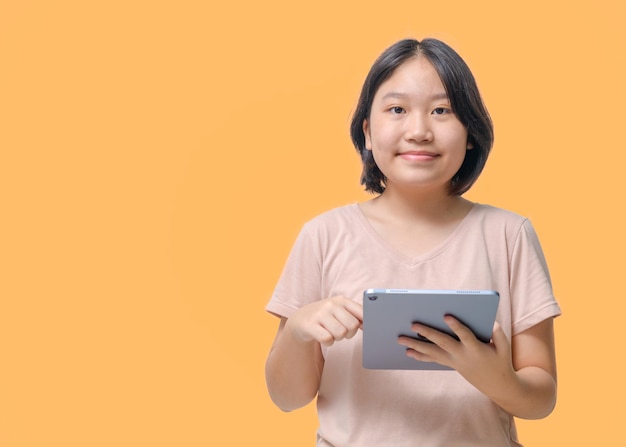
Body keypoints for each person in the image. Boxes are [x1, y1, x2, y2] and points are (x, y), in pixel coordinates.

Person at [264, 37, 561, 447]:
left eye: (442, 110)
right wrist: (296, 331)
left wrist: (497, 378)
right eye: (397, 109)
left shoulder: (509, 234)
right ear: (367, 132)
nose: (419, 131)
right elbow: (286, 398)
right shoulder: (323, 235)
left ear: (471, 133)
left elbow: (541, 398)